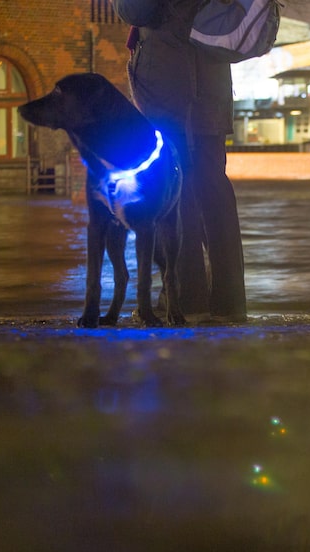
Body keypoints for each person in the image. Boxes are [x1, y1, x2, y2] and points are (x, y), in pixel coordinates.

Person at [111, 0, 247, 323]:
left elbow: (138, 9)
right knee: (213, 184)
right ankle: (229, 303)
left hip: (167, 82)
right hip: (212, 82)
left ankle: (186, 300)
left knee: (175, 187)